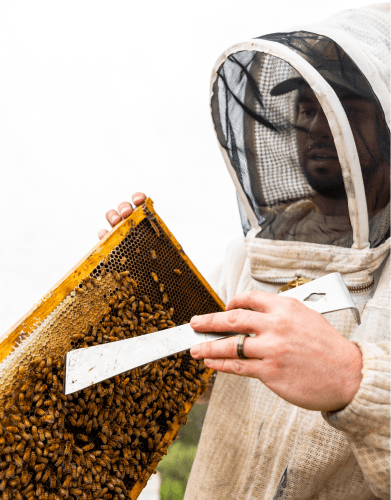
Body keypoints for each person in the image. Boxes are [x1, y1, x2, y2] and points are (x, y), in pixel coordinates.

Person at [99, 4, 390, 499]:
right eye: (306, 107)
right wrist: (140, 280)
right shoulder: (246, 257)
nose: (319, 125)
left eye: (343, 106)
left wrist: (352, 377)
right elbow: (190, 366)